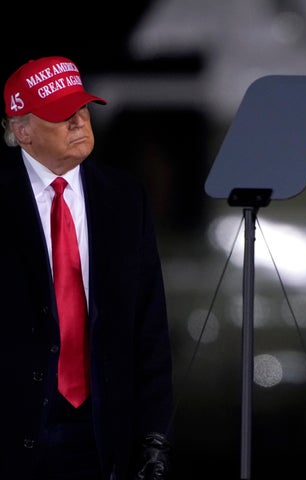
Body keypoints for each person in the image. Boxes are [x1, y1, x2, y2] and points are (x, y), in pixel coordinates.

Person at [1, 56, 174, 479]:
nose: (79, 121)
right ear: (22, 132)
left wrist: (154, 436)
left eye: (82, 108)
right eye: (62, 114)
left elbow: (148, 326)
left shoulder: (124, 197)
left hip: (101, 434)